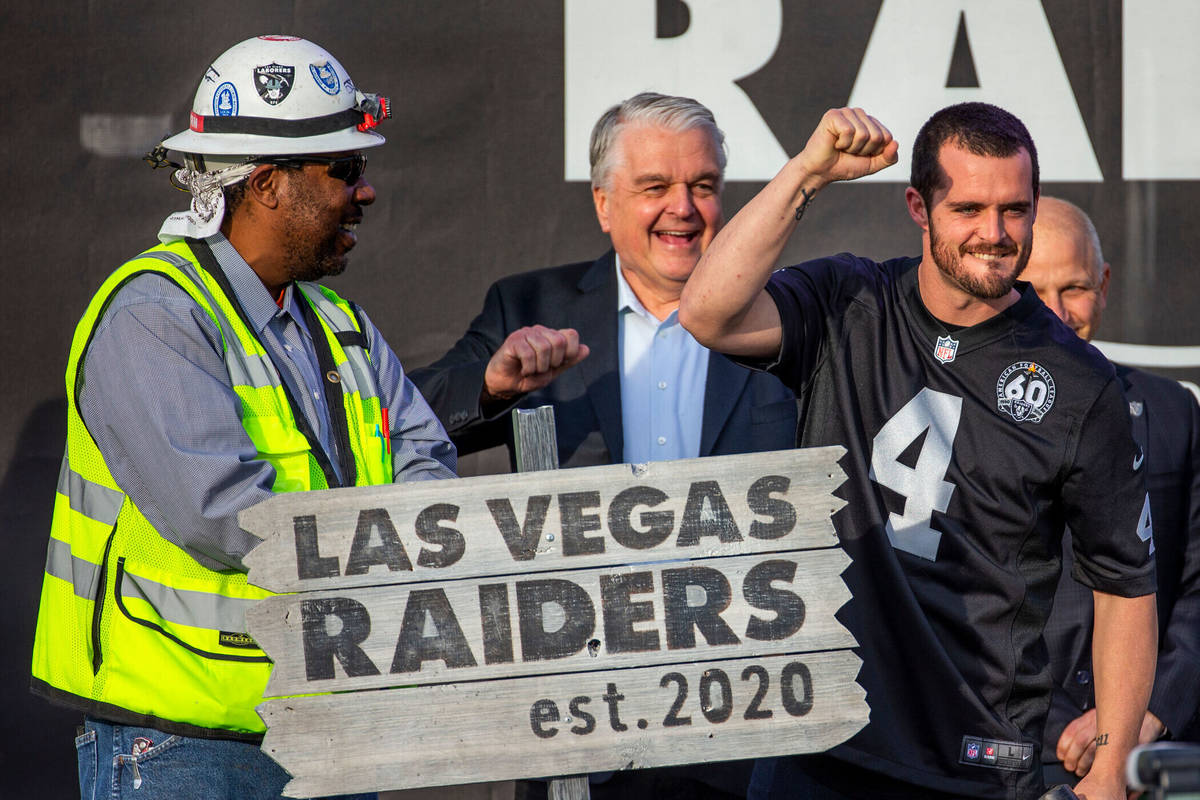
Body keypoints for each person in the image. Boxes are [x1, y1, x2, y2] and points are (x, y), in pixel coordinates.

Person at [678, 103, 1157, 800]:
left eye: (1014, 210)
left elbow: (1124, 583)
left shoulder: (1081, 382)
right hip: (820, 744)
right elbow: (707, 312)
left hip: (975, 762)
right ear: (918, 206)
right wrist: (808, 173)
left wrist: (1112, 769)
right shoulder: (849, 302)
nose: (994, 234)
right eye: (968, 207)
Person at [30, 36, 455, 800]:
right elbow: (223, 513)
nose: (365, 193)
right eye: (345, 171)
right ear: (266, 184)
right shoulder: (155, 313)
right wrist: (388, 546)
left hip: (326, 725)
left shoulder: (339, 322)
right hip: (181, 745)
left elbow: (426, 456)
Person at [409, 92, 796, 473]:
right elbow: (406, 424)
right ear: (604, 205)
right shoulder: (527, 308)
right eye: (655, 187)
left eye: (703, 186)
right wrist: (492, 387)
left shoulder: (783, 316)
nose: (683, 208)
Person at [1022, 197, 1200, 787]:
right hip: (994, 757)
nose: (1056, 313)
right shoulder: (954, 418)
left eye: (1073, 287)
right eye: (1033, 289)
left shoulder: (1176, 413)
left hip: (1143, 762)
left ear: (1103, 285)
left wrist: (1146, 714)